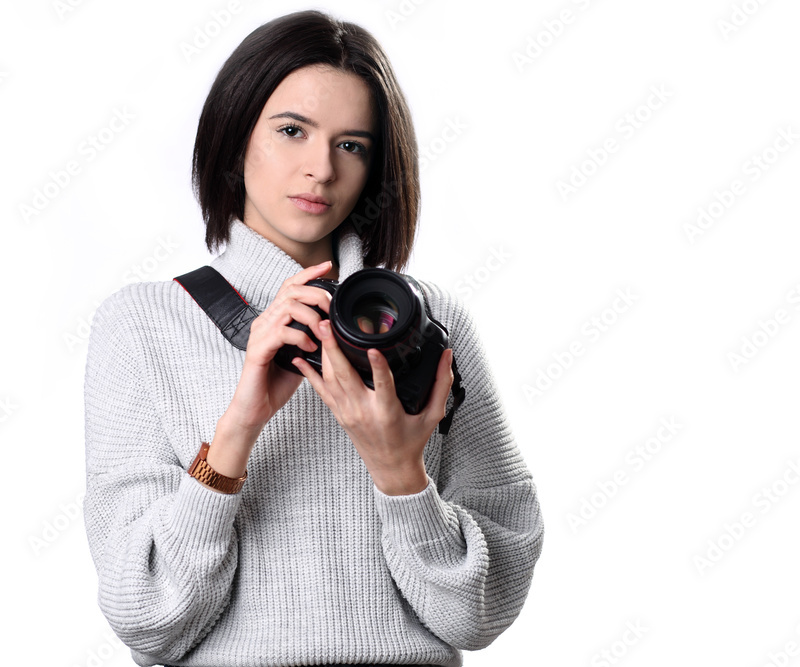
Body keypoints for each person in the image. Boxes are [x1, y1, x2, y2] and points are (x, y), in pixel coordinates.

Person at [82, 9, 543, 667]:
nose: (320, 169)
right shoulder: (143, 323)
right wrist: (241, 424)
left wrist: (399, 474)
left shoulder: (427, 322)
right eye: (292, 131)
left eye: (351, 144)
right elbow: (147, 617)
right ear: (236, 135)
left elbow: (481, 613)